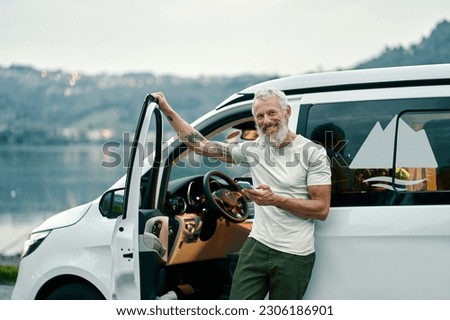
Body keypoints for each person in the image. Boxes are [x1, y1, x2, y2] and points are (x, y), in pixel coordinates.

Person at [152, 88, 331, 300]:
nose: (266, 121)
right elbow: (200, 145)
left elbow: (321, 209)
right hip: (257, 246)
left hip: (295, 254)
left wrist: (276, 200)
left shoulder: (312, 153)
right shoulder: (254, 150)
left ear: (287, 112)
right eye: (260, 116)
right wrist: (165, 108)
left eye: (272, 113)